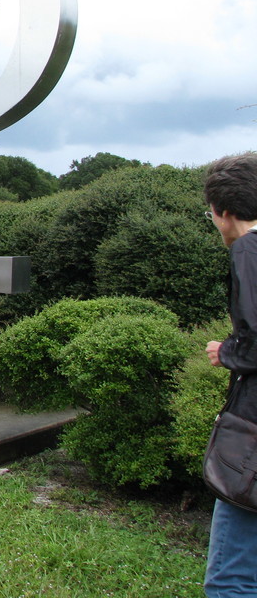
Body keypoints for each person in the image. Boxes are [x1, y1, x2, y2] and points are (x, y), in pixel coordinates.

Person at [203, 153, 257, 597]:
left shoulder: (249, 251)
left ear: (225, 212)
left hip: (254, 440)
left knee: (231, 576)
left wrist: (229, 351)